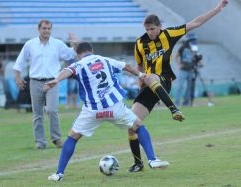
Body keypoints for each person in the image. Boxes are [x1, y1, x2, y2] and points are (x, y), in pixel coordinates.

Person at [128, 0, 228, 172]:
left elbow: (195, 23)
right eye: (147, 29)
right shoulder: (139, 44)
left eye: (152, 29)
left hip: (164, 80)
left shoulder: (169, 34)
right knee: (131, 124)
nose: (150, 32)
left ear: (159, 26)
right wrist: (140, 87)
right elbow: (139, 68)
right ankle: (139, 163)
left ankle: (174, 109)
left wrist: (217, 9)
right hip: (149, 85)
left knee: (151, 76)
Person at [46, 42, 169, 181]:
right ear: (91, 50)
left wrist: (56, 80)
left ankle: (58, 174)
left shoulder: (79, 64)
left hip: (92, 110)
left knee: (72, 138)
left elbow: (67, 70)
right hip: (114, 107)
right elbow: (126, 66)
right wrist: (141, 75)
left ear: (78, 54)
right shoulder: (104, 60)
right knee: (138, 126)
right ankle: (152, 159)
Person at [13, 20, 77, 149]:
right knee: (37, 114)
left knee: (52, 110)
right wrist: (18, 78)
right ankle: (40, 142)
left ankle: (57, 139)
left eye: (48, 28)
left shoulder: (57, 44)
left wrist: (74, 44)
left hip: (52, 81)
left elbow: (71, 54)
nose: (46, 30)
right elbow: (20, 62)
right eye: (44, 28)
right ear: (39, 29)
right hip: (35, 82)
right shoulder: (30, 44)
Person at [174, 33, 202, 106]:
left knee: (189, 87)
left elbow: (197, 57)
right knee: (180, 86)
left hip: (191, 69)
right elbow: (176, 57)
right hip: (183, 70)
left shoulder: (194, 48)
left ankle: (186, 103)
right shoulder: (182, 47)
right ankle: (176, 103)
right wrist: (178, 65)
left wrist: (200, 63)